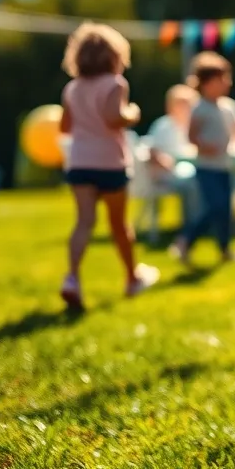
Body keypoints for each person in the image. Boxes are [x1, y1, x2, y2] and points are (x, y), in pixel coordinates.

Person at [58, 23, 160, 311]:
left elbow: (65, 127)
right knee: (119, 224)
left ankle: (72, 279)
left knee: (84, 222)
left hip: (79, 163)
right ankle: (132, 278)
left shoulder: (72, 88)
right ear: (115, 56)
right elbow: (114, 118)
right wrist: (133, 113)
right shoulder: (116, 84)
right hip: (109, 163)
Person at [171, 52, 235, 265]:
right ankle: (185, 241)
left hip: (225, 166)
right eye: (222, 79)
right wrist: (205, 147)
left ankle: (225, 248)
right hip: (207, 168)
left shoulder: (229, 106)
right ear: (207, 83)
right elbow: (192, 136)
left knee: (226, 211)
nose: (227, 83)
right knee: (214, 207)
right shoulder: (200, 108)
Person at [144, 84, 204, 236]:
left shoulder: (193, 125)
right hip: (166, 174)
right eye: (181, 104)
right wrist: (167, 165)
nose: (185, 108)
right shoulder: (163, 125)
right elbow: (152, 151)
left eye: (188, 104)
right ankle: (191, 227)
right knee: (191, 183)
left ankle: (202, 224)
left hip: (191, 168)